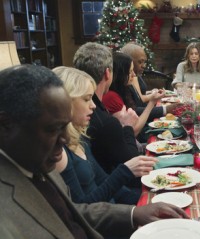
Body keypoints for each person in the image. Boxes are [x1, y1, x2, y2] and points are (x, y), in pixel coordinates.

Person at [0, 65, 188, 238]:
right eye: (52, 129)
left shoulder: (35, 160)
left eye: (65, 126)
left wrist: (132, 213)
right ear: (6, 124)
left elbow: (74, 212)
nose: (64, 138)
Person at [53, 66, 156, 205]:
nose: (93, 106)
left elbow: (104, 182)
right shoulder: (59, 153)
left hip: (114, 210)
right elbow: (82, 209)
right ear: (65, 102)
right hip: (106, 221)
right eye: (87, 99)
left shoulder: (80, 137)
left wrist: (147, 200)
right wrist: (125, 171)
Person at [73, 42, 140, 174]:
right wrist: (127, 127)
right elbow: (133, 165)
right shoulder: (103, 120)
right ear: (108, 73)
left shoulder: (76, 110)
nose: (90, 105)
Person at [102, 51, 163, 136]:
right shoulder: (111, 96)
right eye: (130, 71)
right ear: (120, 74)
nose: (134, 75)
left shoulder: (121, 90)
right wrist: (152, 103)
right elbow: (133, 130)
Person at [120, 42, 174, 121]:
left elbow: (139, 97)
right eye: (140, 62)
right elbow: (135, 110)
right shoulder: (124, 83)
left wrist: (152, 94)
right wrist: (165, 109)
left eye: (144, 62)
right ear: (129, 61)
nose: (144, 66)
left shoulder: (135, 76)